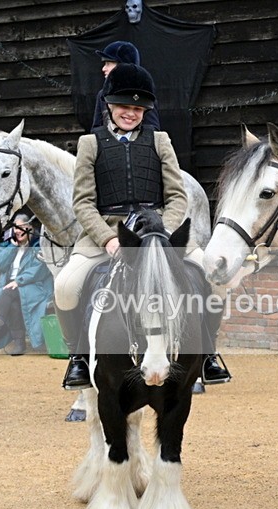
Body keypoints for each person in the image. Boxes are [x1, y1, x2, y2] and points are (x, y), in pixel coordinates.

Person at [55, 63, 212, 390]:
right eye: (125, 106)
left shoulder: (160, 140)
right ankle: (79, 359)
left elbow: (177, 197)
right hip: (107, 231)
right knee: (66, 287)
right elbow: (82, 201)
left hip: (158, 230)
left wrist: (164, 234)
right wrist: (107, 239)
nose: (131, 113)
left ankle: (206, 354)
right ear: (110, 106)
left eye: (138, 108)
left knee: (206, 274)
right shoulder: (90, 143)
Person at [0, 215, 53, 356]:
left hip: (34, 286)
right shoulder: (8, 244)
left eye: (22, 227)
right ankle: (19, 344)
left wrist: (18, 281)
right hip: (11, 287)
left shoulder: (38, 245)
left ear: (30, 229)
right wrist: (13, 247)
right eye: (16, 227)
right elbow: (0, 265)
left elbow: (39, 270)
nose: (18, 231)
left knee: (9, 292)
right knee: (13, 302)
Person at [92, 41, 161, 132]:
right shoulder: (102, 93)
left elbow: (152, 130)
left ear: (123, 65)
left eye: (108, 63)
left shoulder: (144, 93)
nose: (104, 68)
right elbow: (96, 128)